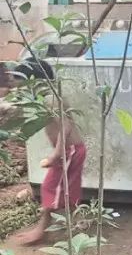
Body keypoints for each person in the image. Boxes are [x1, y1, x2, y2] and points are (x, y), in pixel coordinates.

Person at [7, 58, 86, 245]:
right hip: (71, 150)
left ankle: (41, 230)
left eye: (19, 80)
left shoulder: (51, 100)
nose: (15, 84)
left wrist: (56, 155)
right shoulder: (45, 98)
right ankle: (76, 221)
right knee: (66, 188)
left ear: (34, 81)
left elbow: (66, 127)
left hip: (69, 151)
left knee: (50, 187)